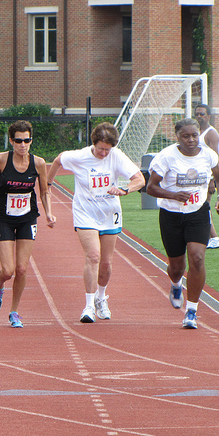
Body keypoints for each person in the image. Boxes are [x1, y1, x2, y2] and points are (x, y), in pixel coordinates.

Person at [47, 122, 145, 323]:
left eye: (107, 150)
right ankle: (88, 306)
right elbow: (57, 161)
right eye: (100, 149)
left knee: (106, 263)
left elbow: (140, 179)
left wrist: (125, 189)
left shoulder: (116, 156)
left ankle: (101, 297)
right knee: (93, 256)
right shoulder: (80, 156)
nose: (103, 153)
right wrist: (47, 185)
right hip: (85, 212)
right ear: (94, 144)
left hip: (109, 213)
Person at [146, 118, 219, 329]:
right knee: (176, 267)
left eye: (194, 135)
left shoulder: (208, 154)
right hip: (171, 215)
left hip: (198, 212)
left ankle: (191, 310)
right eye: (186, 136)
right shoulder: (166, 157)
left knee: (197, 258)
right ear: (178, 137)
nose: (191, 140)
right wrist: (173, 195)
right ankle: (175, 284)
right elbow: (151, 188)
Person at [0, 120, 55, 328]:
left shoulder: (39, 163)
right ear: (11, 141)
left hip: (27, 218)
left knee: (22, 269)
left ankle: (14, 312)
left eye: (27, 140)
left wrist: (49, 213)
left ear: (31, 140)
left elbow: (43, 191)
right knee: (8, 270)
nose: (23, 145)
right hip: (4, 218)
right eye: (18, 141)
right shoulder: (1, 160)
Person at [195, 104, 219, 249]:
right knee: (200, 206)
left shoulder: (211, 133)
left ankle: (215, 237)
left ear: (209, 116)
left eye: (202, 114)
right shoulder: (197, 132)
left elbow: (215, 157)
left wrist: (212, 179)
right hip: (198, 176)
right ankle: (206, 237)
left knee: (204, 206)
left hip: (207, 177)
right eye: (197, 114)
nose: (199, 116)